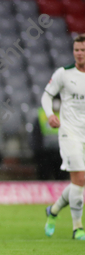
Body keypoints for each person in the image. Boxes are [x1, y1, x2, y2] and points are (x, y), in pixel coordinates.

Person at [43, 34, 85, 240]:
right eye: (77, 49)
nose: (79, 53)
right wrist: (51, 114)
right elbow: (47, 95)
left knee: (79, 183)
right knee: (80, 179)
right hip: (70, 132)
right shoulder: (64, 73)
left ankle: (53, 210)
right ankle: (78, 227)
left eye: (83, 50)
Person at [31, 97, 68, 180]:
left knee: (61, 178)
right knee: (44, 176)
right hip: (45, 154)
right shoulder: (42, 115)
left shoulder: (67, 115)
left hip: (62, 154)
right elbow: (36, 135)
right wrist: (38, 153)